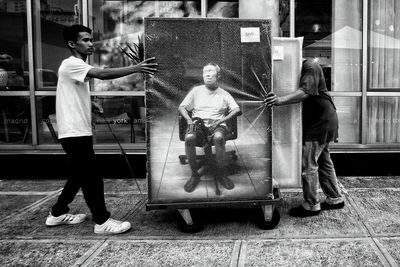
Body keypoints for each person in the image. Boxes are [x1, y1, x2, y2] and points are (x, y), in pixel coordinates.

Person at [45, 24, 157, 234]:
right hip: (74, 132)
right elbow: (101, 74)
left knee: (79, 174)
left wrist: (90, 104)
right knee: (91, 176)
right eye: (85, 40)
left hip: (77, 131)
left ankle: (58, 213)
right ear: (72, 43)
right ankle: (102, 221)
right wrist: (136, 68)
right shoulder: (71, 64)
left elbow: (73, 92)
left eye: (90, 39)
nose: (90, 44)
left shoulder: (76, 67)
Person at [264, 59, 344, 217]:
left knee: (309, 166)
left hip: (320, 123)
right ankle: (335, 198)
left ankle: (311, 205)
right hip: (322, 121)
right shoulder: (301, 70)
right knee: (324, 162)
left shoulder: (310, 66)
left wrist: (279, 100)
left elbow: (305, 91)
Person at [179, 63, 241, 193]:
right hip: (198, 124)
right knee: (189, 138)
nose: (207, 74)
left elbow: (236, 109)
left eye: (210, 71)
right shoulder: (196, 91)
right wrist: (189, 120)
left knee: (218, 138)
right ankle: (194, 174)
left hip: (217, 125)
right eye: (205, 72)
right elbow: (182, 107)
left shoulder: (224, 94)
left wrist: (221, 120)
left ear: (218, 75)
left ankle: (222, 174)